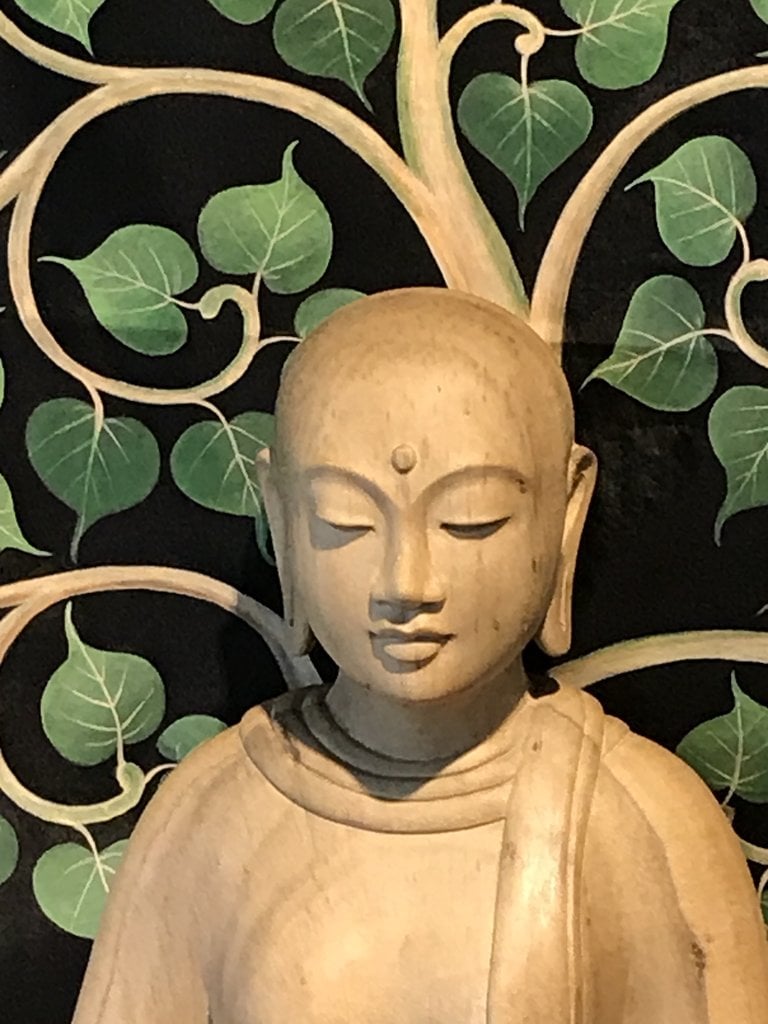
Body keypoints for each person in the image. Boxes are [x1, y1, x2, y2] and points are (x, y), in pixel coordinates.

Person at [72, 288, 768, 1023]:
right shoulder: (211, 817)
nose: (406, 584)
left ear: (566, 516)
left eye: (471, 519)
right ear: (281, 514)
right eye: (346, 520)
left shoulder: (645, 817)